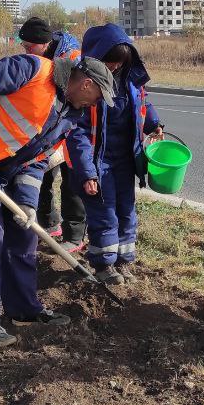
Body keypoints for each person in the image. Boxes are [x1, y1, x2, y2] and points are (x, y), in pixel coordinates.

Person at [0, 50, 114, 349]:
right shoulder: (33, 69)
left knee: (24, 235)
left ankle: (24, 309)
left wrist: (27, 203)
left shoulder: (69, 115)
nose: (95, 105)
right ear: (87, 84)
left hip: (6, 167)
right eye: (97, 97)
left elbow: (37, 161)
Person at [68, 24, 163, 285]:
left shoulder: (131, 80)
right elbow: (78, 134)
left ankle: (124, 261)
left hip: (125, 160)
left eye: (118, 63)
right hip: (98, 164)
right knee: (104, 214)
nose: (113, 68)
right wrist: (87, 172)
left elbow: (144, 104)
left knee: (126, 212)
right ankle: (103, 265)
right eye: (109, 63)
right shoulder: (85, 86)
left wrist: (154, 123)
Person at [33, 31, 87, 252]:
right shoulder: (46, 60)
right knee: (43, 178)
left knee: (72, 183)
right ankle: (49, 223)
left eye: (29, 46)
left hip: (73, 131)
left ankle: (74, 234)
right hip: (52, 131)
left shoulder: (73, 57)